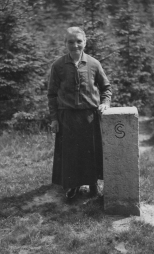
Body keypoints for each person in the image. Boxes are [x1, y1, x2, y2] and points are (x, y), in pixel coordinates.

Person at [47, 27, 112, 199]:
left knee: (90, 152)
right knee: (70, 154)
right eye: (70, 41)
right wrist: (54, 119)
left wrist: (105, 103)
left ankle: (93, 185)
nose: (75, 45)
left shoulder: (93, 64)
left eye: (78, 41)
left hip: (89, 117)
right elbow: (52, 94)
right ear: (65, 43)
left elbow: (106, 88)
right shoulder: (58, 66)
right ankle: (72, 186)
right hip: (66, 117)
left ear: (85, 42)